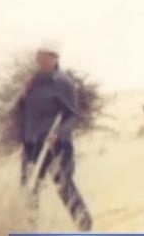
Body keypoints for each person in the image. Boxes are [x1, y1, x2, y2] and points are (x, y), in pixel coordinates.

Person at [17, 40, 92, 231]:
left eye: (44, 55)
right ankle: (30, 228)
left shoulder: (63, 82)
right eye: (38, 54)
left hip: (55, 143)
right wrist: (23, 94)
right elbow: (22, 109)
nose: (39, 58)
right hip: (32, 142)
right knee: (29, 187)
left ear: (54, 58)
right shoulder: (33, 81)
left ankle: (83, 223)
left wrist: (59, 134)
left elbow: (72, 114)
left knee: (63, 184)